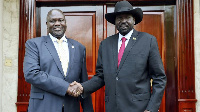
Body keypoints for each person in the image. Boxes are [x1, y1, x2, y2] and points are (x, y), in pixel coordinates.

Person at [70, 1, 167, 112]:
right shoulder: (105, 44)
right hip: (113, 107)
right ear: (115, 21)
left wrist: (151, 109)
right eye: (120, 18)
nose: (123, 21)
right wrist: (82, 87)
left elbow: (159, 78)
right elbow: (101, 76)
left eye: (127, 17)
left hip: (140, 108)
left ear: (134, 20)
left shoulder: (148, 41)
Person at [23, 9, 94, 112]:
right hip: (43, 107)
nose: (57, 24)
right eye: (53, 21)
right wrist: (66, 87)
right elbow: (31, 74)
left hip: (71, 107)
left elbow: (83, 81)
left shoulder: (79, 47)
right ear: (47, 24)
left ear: (65, 23)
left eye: (61, 20)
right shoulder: (34, 44)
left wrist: (88, 110)